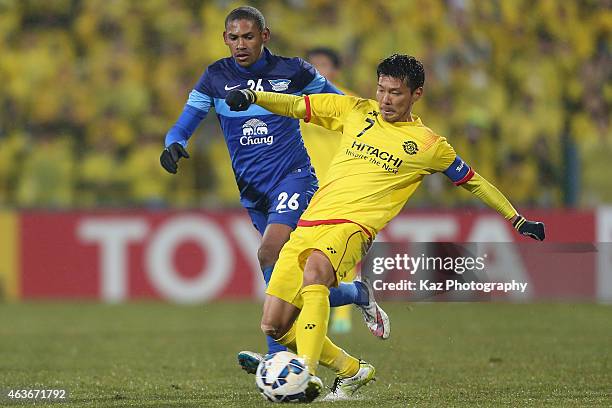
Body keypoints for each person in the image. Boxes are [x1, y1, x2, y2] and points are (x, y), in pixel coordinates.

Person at [225, 53, 546, 401]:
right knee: (275, 325)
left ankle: (306, 372)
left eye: (395, 93)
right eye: (381, 90)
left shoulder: (428, 145)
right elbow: (296, 105)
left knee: (316, 273)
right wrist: (254, 97)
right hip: (309, 222)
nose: (385, 100)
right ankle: (352, 370)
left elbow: (474, 182)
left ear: (416, 94)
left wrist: (516, 218)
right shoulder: (356, 111)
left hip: (352, 228)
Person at [159, 6, 389, 375]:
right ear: (224, 39)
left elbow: (340, 105)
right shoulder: (215, 77)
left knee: (269, 252)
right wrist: (173, 143)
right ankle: (354, 294)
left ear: (264, 37)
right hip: (253, 191)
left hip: (294, 178)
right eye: (233, 37)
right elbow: (186, 121)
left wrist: (377, 135)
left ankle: (276, 352)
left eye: (248, 36)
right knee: (289, 278)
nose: (240, 44)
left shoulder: (293, 71)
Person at [302, 47, 355, 334]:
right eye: (313, 65)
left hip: (338, 185)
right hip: (305, 185)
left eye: (323, 65)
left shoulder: (347, 102)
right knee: (303, 252)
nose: (318, 70)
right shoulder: (296, 101)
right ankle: (309, 308)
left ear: (335, 71)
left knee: (340, 250)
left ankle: (343, 314)